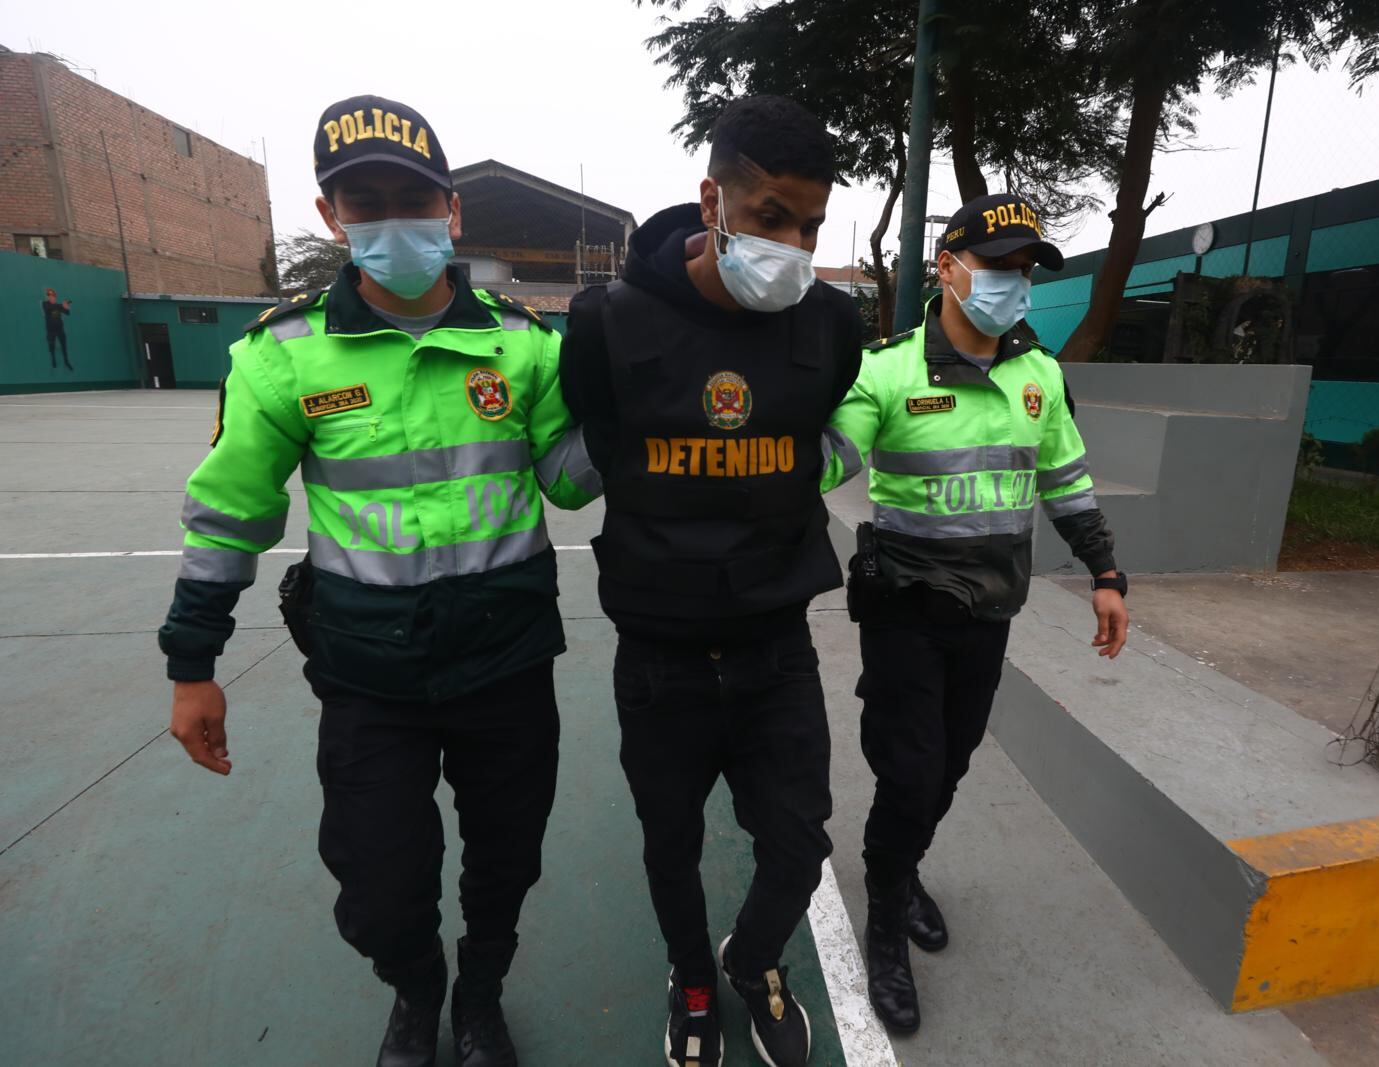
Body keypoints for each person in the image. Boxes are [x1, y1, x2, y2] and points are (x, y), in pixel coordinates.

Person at [157, 95, 597, 1067]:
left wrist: (615, 400)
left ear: (451, 210)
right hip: (369, 675)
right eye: (368, 201)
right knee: (380, 882)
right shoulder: (283, 354)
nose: (392, 219)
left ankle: (478, 997)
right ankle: (415, 987)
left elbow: (568, 483)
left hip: (506, 661)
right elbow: (231, 513)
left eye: (414, 197)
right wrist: (193, 661)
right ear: (332, 216)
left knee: (505, 859)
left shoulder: (524, 343)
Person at [558, 95, 862, 1067]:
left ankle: (751, 957)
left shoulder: (829, 324)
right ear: (712, 201)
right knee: (671, 846)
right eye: (771, 216)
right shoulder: (608, 323)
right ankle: (692, 978)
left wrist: (790, 475)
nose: (792, 242)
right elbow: (583, 452)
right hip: (660, 656)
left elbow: (827, 431)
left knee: (798, 842)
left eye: (810, 225)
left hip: (777, 650)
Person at [821, 192, 1130, 1033]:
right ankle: (886, 918)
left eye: (1025, 270)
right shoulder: (886, 369)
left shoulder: (1040, 376)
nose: (1014, 285)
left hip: (990, 608)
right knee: (911, 766)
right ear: (948, 269)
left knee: (951, 762)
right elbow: (823, 458)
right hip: (905, 607)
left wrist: (1105, 569)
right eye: (999, 267)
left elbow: (1065, 479)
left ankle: (905, 864)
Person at [42, 288, 73, 371]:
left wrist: (66, 307)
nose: (51, 296)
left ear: (55, 296)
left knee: (64, 346)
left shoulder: (58, 306)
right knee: (51, 346)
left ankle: (66, 361)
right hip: (51, 331)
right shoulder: (45, 304)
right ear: (47, 296)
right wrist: (61, 306)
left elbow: (67, 313)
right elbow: (49, 308)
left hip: (60, 330)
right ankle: (53, 359)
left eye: (53, 295)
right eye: (49, 295)